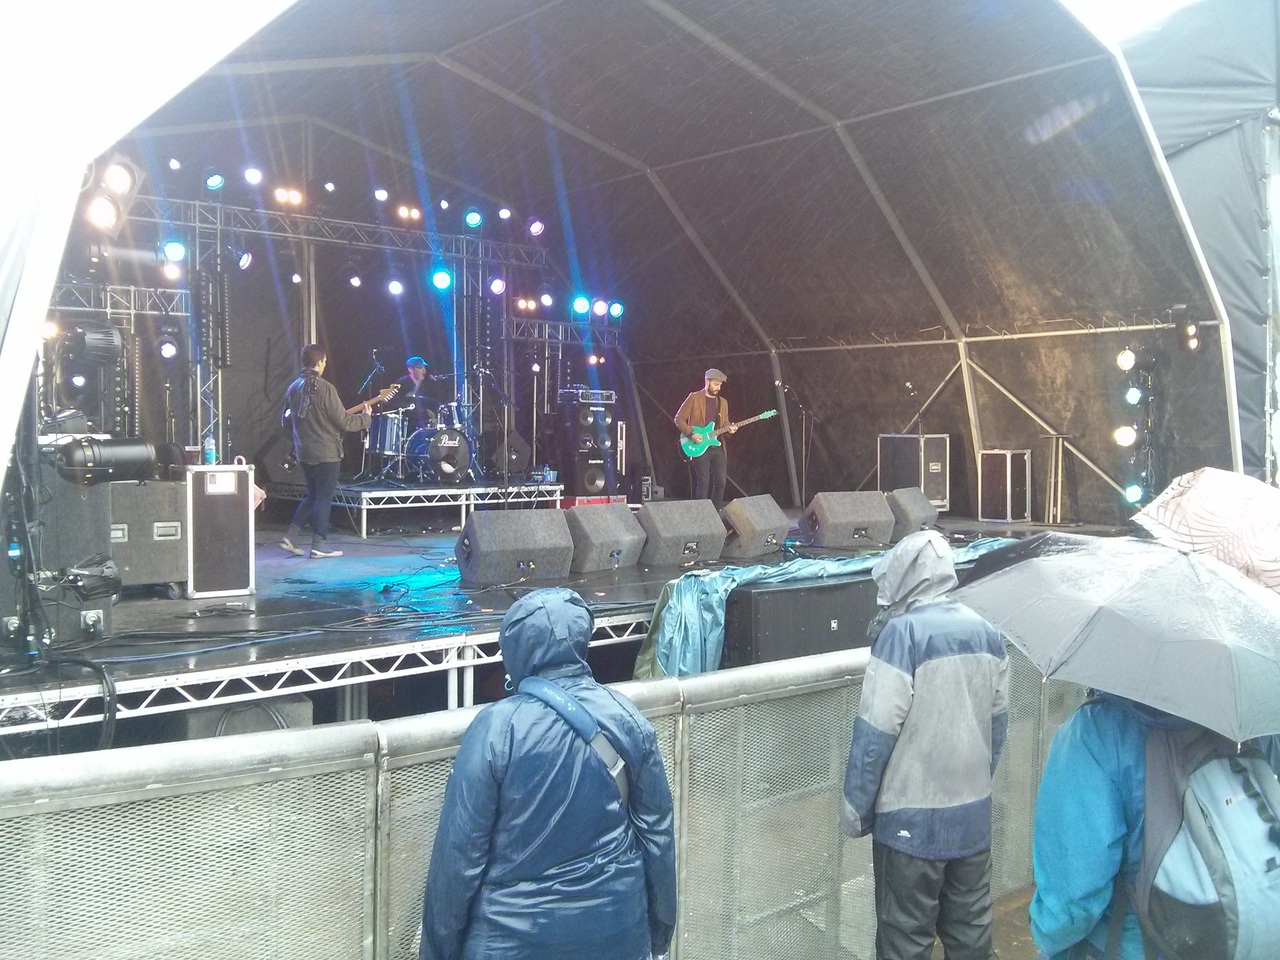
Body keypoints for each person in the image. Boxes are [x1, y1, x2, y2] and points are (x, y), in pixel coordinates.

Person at [419, 587, 677, 960]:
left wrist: (437, 953)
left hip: (508, 942)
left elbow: (457, 859)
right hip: (618, 932)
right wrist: (658, 936)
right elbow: (657, 837)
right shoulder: (628, 719)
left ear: (516, 651)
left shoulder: (495, 729)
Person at [841, 529, 1009, 960]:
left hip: (908, 828)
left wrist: (856, 811)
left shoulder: (901, 635)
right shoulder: (989, 632)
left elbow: (874, 737)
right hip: (972, 819)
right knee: (971, 937)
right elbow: (996, 728)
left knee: (905, 941)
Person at [1030, 695, 1280, 959]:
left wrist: (1044, 936)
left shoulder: (1094, 732)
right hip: (1242, 933)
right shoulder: (1252, 716)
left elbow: (1071, 904)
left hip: (1132, 945)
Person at [280, 343, 371, 559]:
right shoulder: (326, 388)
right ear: (320, 362)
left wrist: (299, 438)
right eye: (325, 361)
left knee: (313, 494)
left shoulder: (293, 388)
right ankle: (319, 544)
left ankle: (291, 537)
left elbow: (285, 422)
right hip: (326, 453)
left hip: (304, 452)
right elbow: (344, 421)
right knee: (324, 497)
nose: (326, 364)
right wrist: (365, 419)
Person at [673, 367, 734, 510]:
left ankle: (714, 512)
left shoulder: (723, 402)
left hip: (717, 446)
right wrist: (691, 434)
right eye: (716, 384)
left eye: (720, 385)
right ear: (707, 382)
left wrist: (730, 429)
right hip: (699, 445)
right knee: (703, 483)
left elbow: (724, 423)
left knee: (721, 483)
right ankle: (701, 514)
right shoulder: (694, 397)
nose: (718, 388)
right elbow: (679, 419)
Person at [394, 355, 448, 431]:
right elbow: (406, 401)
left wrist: (432, 415)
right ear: (410, 369)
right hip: (406, 423)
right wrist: (418, 383)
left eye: (424, 368)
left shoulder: (424, 385)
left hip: (421, 423)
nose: (424, 370)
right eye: (420, 368)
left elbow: (424, 403)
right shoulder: (403, 382)